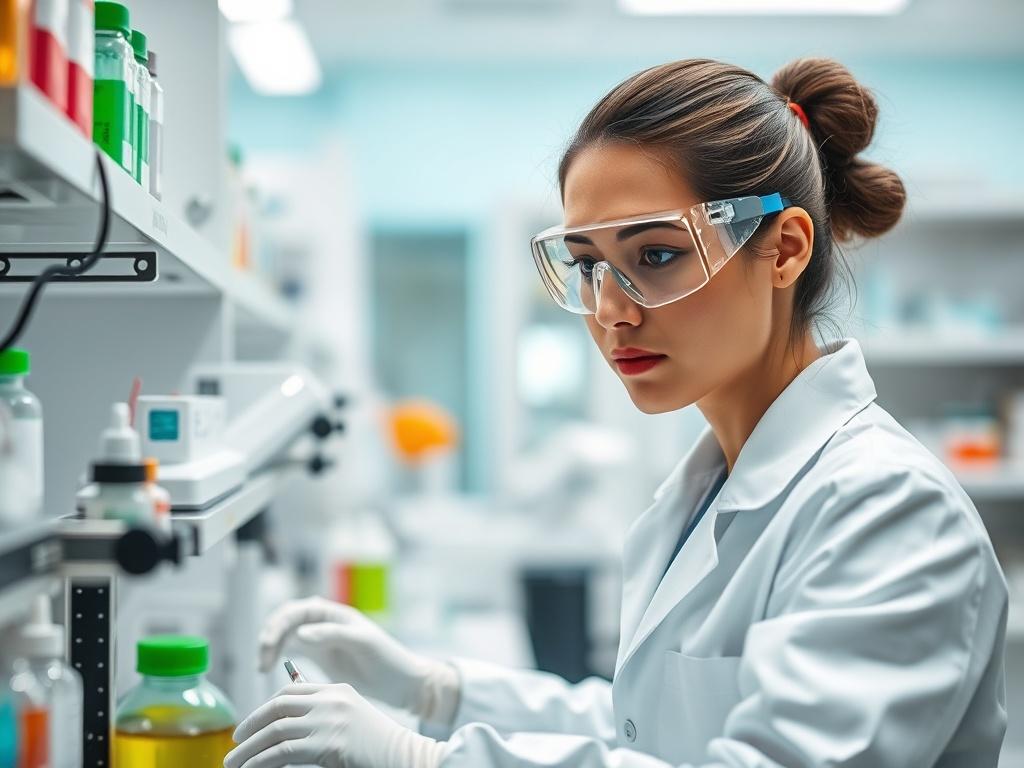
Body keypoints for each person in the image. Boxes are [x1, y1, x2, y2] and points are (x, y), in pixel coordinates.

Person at [224, 57, 1007, 768]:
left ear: (786, 249)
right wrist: (439, 690)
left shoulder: (889, 510)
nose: (611, 312)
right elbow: (651, 730)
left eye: (656, 256)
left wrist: (426, 759)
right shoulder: (706, 489)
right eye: (590, 265)